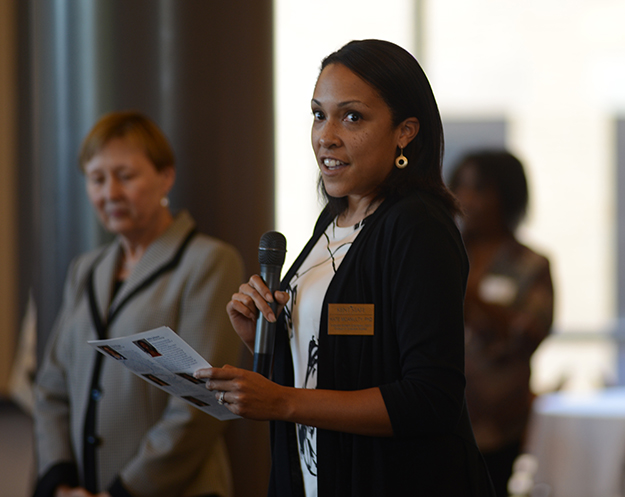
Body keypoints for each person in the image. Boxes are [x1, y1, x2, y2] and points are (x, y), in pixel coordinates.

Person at [195, 39, 495, 496]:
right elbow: (336, 365)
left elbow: (431, 398)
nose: (326, 135)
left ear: (405, 132)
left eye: (351, 116)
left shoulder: (417, 226)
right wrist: (268, 336)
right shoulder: (335, 219)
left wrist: (283, 401)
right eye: (319, 114)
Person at [32, 111, 244, 497]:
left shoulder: (209, 262)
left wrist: (124, 492)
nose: (110, 193)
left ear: (166, 176)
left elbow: (200, 403)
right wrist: (59, 482)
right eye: (97, 179)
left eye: (125, 176)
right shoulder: (86, 269)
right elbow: (51, 389)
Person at [449, 150, 554, 497]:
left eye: (479, 189)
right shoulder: (444, 254)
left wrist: (475, 304)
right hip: (437, 418)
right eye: (460, 187)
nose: (467, 200)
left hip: (498, 425)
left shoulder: (531, 264)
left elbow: (530, 333)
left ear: (507, 196)